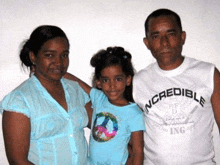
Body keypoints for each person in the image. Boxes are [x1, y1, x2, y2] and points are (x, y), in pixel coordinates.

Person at [133, 8, 220, 164]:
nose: (164, 43)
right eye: (156, 36)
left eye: (171, 34)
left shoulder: (208, 73)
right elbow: (129, 129)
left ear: (182, 37)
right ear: (147, 43)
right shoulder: (138, 81)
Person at [0, 25, 92, 165]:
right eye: (49, 55)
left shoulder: (76, 90)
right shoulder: (19, 101)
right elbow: (18, 161)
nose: (59, 62)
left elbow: (104, 125)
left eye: (64, 55)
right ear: (33, 57)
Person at [65, 46, 146, 165]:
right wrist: (50, 72)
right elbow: (77, 82)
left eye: (118, 79)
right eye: (106, 80)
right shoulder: (99, 98)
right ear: (98, 82)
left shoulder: (134, 113)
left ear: (127, 80)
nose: (112, 86)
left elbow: (138, 151)